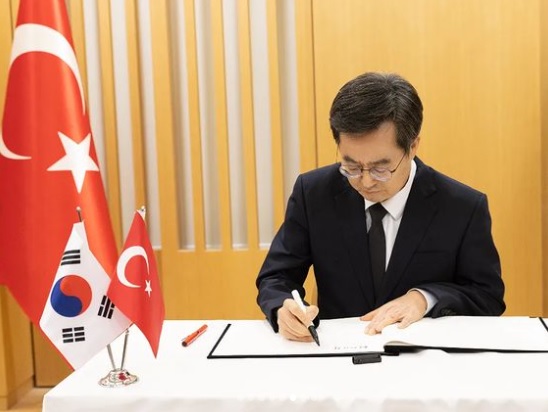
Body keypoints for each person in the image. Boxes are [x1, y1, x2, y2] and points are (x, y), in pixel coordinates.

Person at [256, 72, 505, 343]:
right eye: (351, 166)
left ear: (412, 146)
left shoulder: (462, 207)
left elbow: (487, 297)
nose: (365, 182)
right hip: (339, 354)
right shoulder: (314, 193)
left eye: (380, 168)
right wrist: (283, 307)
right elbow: (276, 277)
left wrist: (424, 298)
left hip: (424, 356)